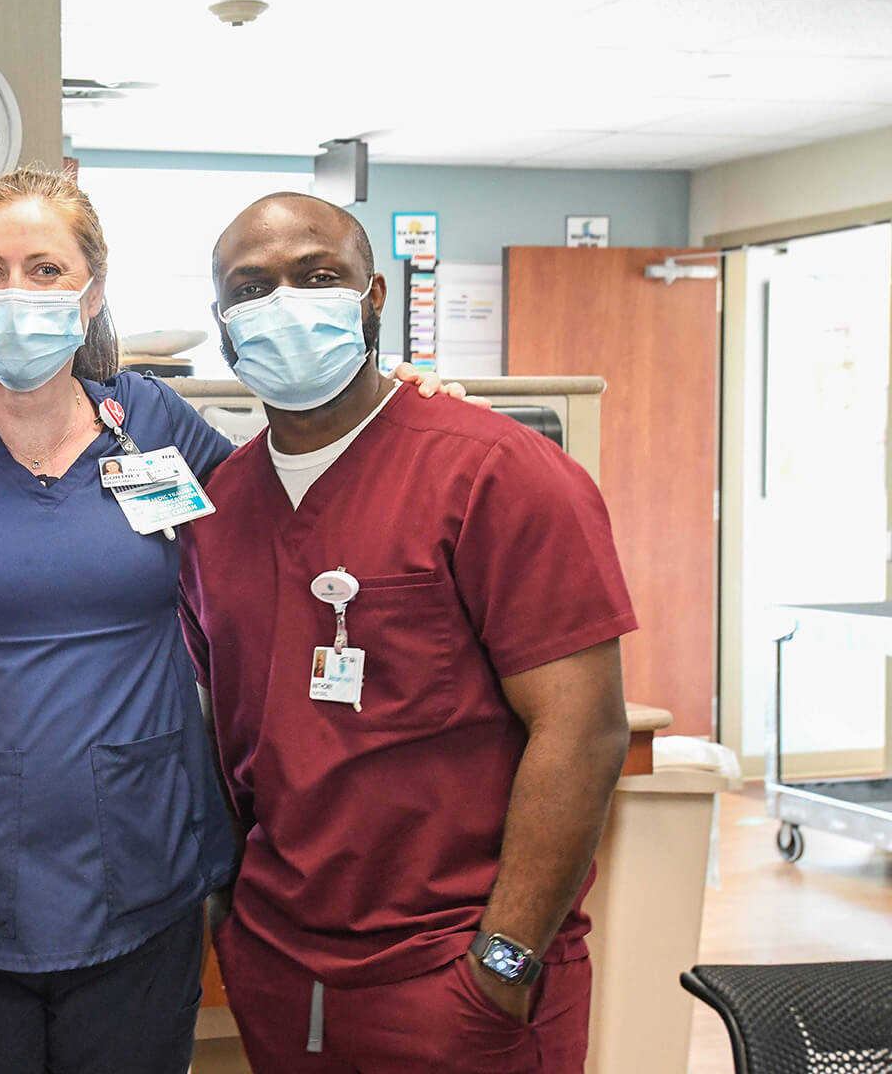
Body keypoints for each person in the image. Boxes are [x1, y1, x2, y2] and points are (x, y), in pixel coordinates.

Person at [0, 168, 461, 1074]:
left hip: (137, 856)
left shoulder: (146, 421)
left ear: (92, 289)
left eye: (44, 268)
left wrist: (394, 413)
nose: (15, 294)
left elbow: (296, 503)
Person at [181, 192, 635, 1072]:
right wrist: (236, 924)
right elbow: (229, 737)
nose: (285, 305)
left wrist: (503, 963)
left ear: (373, 295)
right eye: (252, 287)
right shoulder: (219, 506)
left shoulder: (499, 474)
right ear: (224, 323)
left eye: (318, 277)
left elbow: (583, 729)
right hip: (281, 966)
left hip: (456, 973)